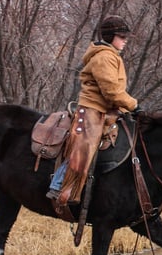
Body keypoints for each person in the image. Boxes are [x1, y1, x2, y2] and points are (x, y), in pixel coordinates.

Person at [47, 15, 140, 206]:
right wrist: (133, 104)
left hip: (106, 109)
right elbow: (111, 91)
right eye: (121, 37)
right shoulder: (104, 57)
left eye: (125, 37)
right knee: (86, 143)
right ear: (110, 36)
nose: (125, 40)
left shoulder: (111, 55)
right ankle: (59, 186)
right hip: (93, 108)